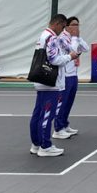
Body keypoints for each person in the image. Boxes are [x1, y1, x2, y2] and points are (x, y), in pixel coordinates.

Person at [29, 14, 79, 157]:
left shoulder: (43, 36)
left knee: (38, 113)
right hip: (50, 80)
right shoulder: (51, 37)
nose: (62, 30)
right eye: (63, 26)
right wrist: (70, 57)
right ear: (58, 24)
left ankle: (36, 143)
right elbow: (54, 59)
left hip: (41, 79)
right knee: (46, 114)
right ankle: (45, 145)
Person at [53, 17, 86, 139]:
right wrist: (75, 38)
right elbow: (72, 50)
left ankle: (65, 124)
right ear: (67, 26)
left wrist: (78, 37)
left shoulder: (74, 39)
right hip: (65, 75)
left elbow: (86, 48)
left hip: (74, 74)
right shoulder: (62, 38)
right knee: (63, 102)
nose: (77, 27)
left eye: (78, 24)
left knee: (69, 102)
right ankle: (58, 128)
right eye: (74, 24)